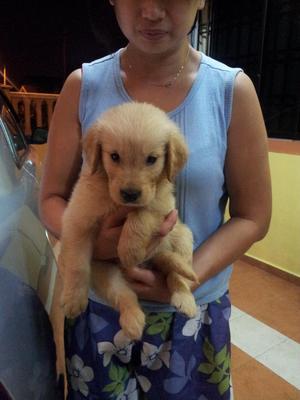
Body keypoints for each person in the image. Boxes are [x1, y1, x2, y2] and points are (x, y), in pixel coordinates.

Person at [39, 1, 272, 399]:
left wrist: (183, 275)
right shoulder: (83, 86)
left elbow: (254, 216)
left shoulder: (231, 91)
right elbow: (51, 199)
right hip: (100, 312)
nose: (150, 11)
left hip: (191, 315)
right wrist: (100, 244)